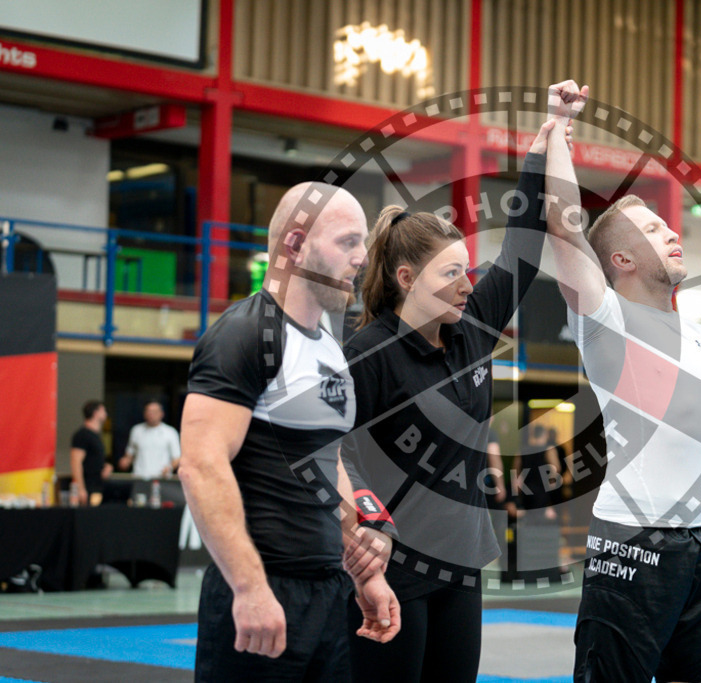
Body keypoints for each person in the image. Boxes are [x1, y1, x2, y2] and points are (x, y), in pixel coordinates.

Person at [542, 81, 701, 683]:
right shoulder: (605, 320)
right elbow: (565, 229)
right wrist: (559, 129)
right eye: (653, 230)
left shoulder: (697, 335)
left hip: (695, 548)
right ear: (620, 260)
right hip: (630, 541)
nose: (673, 233)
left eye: (669, 226)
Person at [341, 101, 567, 682]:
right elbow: (330, 447)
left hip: (462, 562)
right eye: (450, 274)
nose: (467, 285)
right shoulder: (369, 353)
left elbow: (522, 247)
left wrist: (542, 147)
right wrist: (367, 520)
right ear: (406, 278)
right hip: (393, 566)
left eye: (467, 271)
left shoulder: (472, 329)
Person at [178, 182, 400, 682]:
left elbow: (331, 464)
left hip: (328, 595)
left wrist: (365, 574)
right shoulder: (244, 334)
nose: (362, 258)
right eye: (347, 242)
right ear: (296, 245)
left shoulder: (329, 346)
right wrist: (250, 588)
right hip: (264, 590)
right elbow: (201, 464)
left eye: (362, 243)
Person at [118, 400, 180, 479]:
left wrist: (169, 468)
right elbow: (130, 453)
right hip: (139, 477)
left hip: (161, 478)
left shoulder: (170, 432)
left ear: (161, 414)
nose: (151, 414)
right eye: (148, 411)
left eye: (154, 412)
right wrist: (125, 461)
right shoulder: (136, 430)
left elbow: (177, 457)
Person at [70, 399, 113, 505]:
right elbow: (76, 462)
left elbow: (93, 460)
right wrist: (80, 489)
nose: (106, 414)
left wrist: (105, 467)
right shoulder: (82, 435)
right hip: (88, 486)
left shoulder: (96, 436)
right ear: (95, 413)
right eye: (103, 410)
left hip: (98, 487)